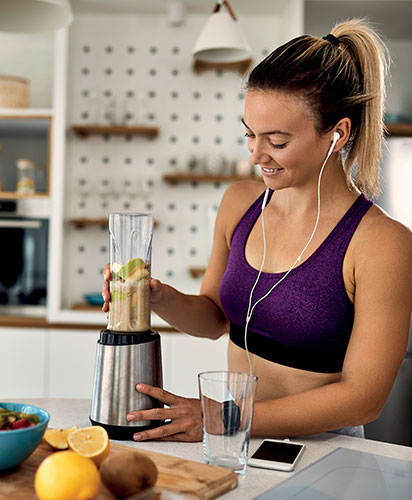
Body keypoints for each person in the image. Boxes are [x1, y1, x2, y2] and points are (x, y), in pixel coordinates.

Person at [102, 19, 412, 442]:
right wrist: (153, 295)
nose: (256, 155)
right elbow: (213, 319)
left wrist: (225, 418)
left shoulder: (381, 243)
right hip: (232, 439)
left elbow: (363, 398)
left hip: (324, 449)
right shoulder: (240, 203)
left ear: (337, 134)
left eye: (277, 141)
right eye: (249, 135)